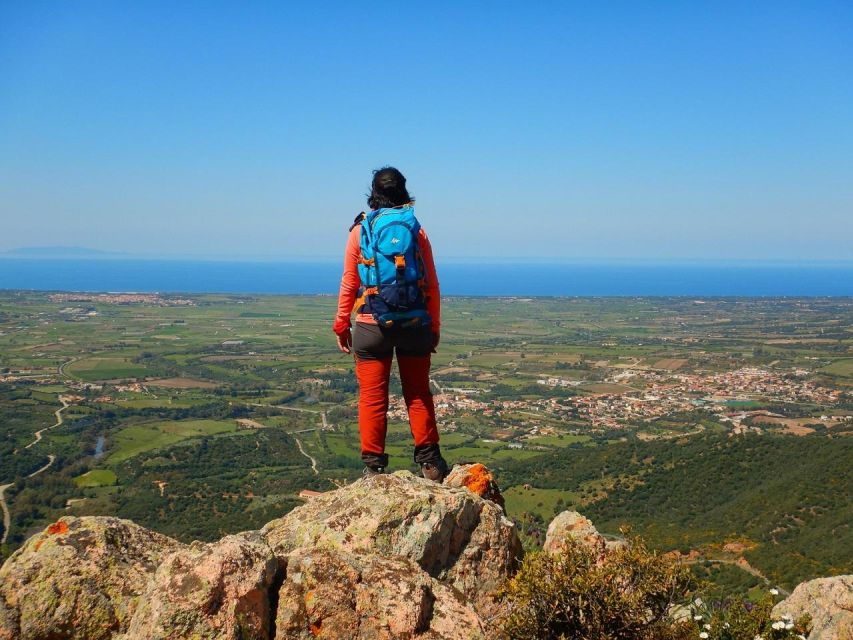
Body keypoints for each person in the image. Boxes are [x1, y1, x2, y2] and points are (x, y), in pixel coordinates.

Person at [333, 167, 449, 481]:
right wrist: (434, 326)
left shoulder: (361, 231)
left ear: (373, 193)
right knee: (418, 393)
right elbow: (432, 284)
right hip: (415, 323)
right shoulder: (416, 230)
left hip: (371, 326)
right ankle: (430, 463)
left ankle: (374, 468)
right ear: (403, 192)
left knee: (372, 397)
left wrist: (341, 324)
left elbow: (349, 282)